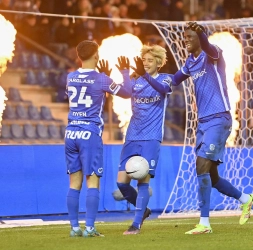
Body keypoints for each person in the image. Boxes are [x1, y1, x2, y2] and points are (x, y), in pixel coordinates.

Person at [172, 22, 253, 234]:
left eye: (190, 36)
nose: (186, 40)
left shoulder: (213, 54)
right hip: (203, 123)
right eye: (185, 37)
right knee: (212, 176)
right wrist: (146, 77)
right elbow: (173, 81)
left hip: (219, 118)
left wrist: (201, 33)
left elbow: (208, 45)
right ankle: (246, 199)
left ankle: (205, 223)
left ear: (200, 37)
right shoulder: (190, 62)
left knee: (200, 166)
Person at [65, 40, 131, 237]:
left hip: (71, 133)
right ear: (96, 55)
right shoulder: (101, 79)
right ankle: (90, 228)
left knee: (74, 183)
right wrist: (125, 73)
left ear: (79, 56)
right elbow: (126, 92)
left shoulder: (70, 77)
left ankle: (75, 228)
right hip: (89, 134)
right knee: (92, 181)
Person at [116, 44, 173, 235]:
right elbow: (125, 93)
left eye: (150, 60)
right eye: (144, 60)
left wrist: (146, 76)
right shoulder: (136, 80)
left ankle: (136, 223)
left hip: (151, 138)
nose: (146, 63)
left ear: (159, 62)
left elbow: (162, 90)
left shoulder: (165, 79)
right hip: (132, 136)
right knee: (122, 183)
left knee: (142, 181)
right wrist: (125, 73)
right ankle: (144, 210)